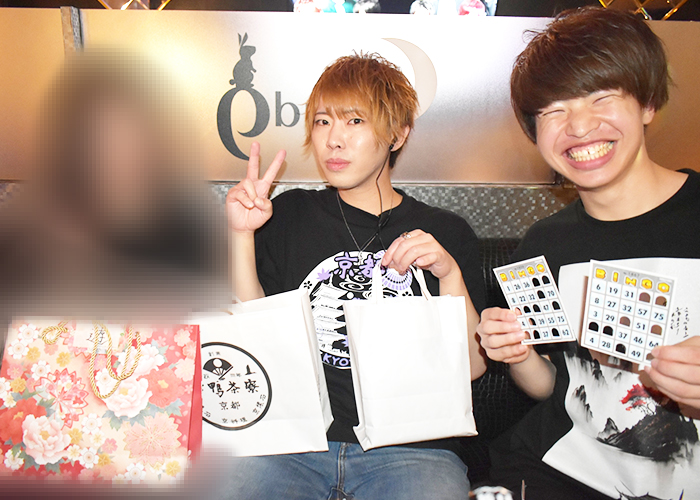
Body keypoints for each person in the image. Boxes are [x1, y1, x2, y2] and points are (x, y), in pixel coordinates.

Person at [225, 53, 487, 498]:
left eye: (355, 121)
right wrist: (240, 234)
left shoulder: (444, 232)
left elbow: (474, 368)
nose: (334, 140)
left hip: (413, 448)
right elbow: (257, 338)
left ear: (398, 133)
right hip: (293, 442)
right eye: (323, 122)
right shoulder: (289, 214)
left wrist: (450, 274)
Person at [477, 7, 700, 500]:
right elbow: (552, 388)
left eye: (602, 97)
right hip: (561, 470)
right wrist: (518, 353)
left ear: (647, 103)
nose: (578, 126)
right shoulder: (544, 244)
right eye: (553, 111)